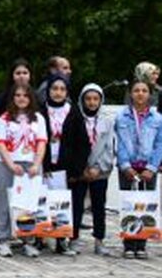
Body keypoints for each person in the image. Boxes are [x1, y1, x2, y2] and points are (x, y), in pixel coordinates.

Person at [60, 83, 114, 256]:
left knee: (99, 206)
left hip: (99, 171)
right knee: (76, 205)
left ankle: (99, 240)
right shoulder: (75, 118)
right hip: (80, 171)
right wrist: (80, 169)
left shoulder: (107, 120)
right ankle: (74, 238)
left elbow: (110, 146)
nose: (92, 102)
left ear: (101, 100)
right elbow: (70, 145)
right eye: (88, 99)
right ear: (82, 100)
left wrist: (99, 168)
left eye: (95, 99)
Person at [0, 84, 47, 258]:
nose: (21, 98)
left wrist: (36, 164)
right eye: (17, 95)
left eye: (25, 95)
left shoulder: (38, 118)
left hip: (31, 164)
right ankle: (2, 239)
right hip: (9, 164)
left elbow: (41, 143)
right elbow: (1, 144)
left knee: (29, 204)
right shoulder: (4, 119)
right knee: (6, 201)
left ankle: (28, 240)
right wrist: (11, 165)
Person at [116, 80, 162, 259]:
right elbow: (118, 142)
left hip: (148, 168)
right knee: (129, 206)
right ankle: (128, 243)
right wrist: (125, 165)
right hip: (128, 168)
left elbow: (159, 144)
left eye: (144, 90)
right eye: (136, 90)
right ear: (130, 94)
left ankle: (141, 243)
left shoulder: (157, 118)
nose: (140, 94)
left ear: (149, 94)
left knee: (145, 206)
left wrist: (152, 167)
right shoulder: (121, 117)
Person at [42, 75, 77, 255]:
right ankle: (39, 238)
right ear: (48, 91)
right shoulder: (40, 110)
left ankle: (61, 240)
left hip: (64, 165)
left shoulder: (73, 112)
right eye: (54, 89)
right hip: (44, 163)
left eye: (62, 89)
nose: (58, 93)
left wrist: (75, 168)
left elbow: (80, 141)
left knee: (61, 203)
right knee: (42, 201)